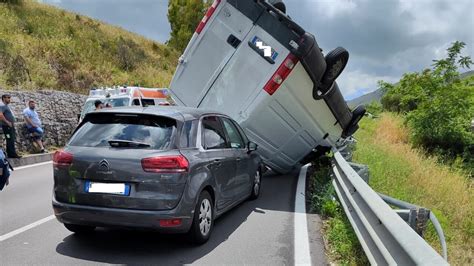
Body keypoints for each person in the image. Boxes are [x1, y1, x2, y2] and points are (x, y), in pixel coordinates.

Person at [0, 94, 21, 159]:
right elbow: (0, 115)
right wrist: (7, 122)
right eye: (8, 98)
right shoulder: (2, 106)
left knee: (10, 139)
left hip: (9, 126)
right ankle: (13, 154)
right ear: (3, 98)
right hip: (7, 126)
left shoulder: (6, 106)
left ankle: (10, 154)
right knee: (10, 139)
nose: (9, 99)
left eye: (10, 98)